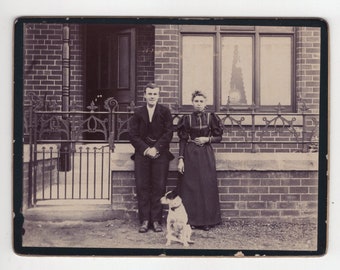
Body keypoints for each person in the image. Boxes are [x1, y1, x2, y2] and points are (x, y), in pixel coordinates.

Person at [129, 83, 174, 233]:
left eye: (155, 94)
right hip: (142, 155)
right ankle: (144, 220)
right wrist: (146, 149)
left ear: (158, 95)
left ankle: (156, 220)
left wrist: (156, 148)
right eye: (150, 94)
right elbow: (133, 135)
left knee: (158, 187)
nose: (152, 96)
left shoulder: (165, 111)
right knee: (142, 187)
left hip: (160, 154)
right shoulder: (137, 113)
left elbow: (169, 133)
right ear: (145, 95)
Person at [177, 90, 223, 231]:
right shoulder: (186, 119)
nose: (198, 104)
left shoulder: (211, 117)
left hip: (205, 154)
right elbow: (183, 140)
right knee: (191, 186)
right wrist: (181, 159)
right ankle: (191, 220)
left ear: (205, 103)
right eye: (196, 101)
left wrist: (207, 139)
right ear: (192, 103)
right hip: (190, 154)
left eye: (201, 101)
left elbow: (219, 137)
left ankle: (207, 221)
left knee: (206, 185)